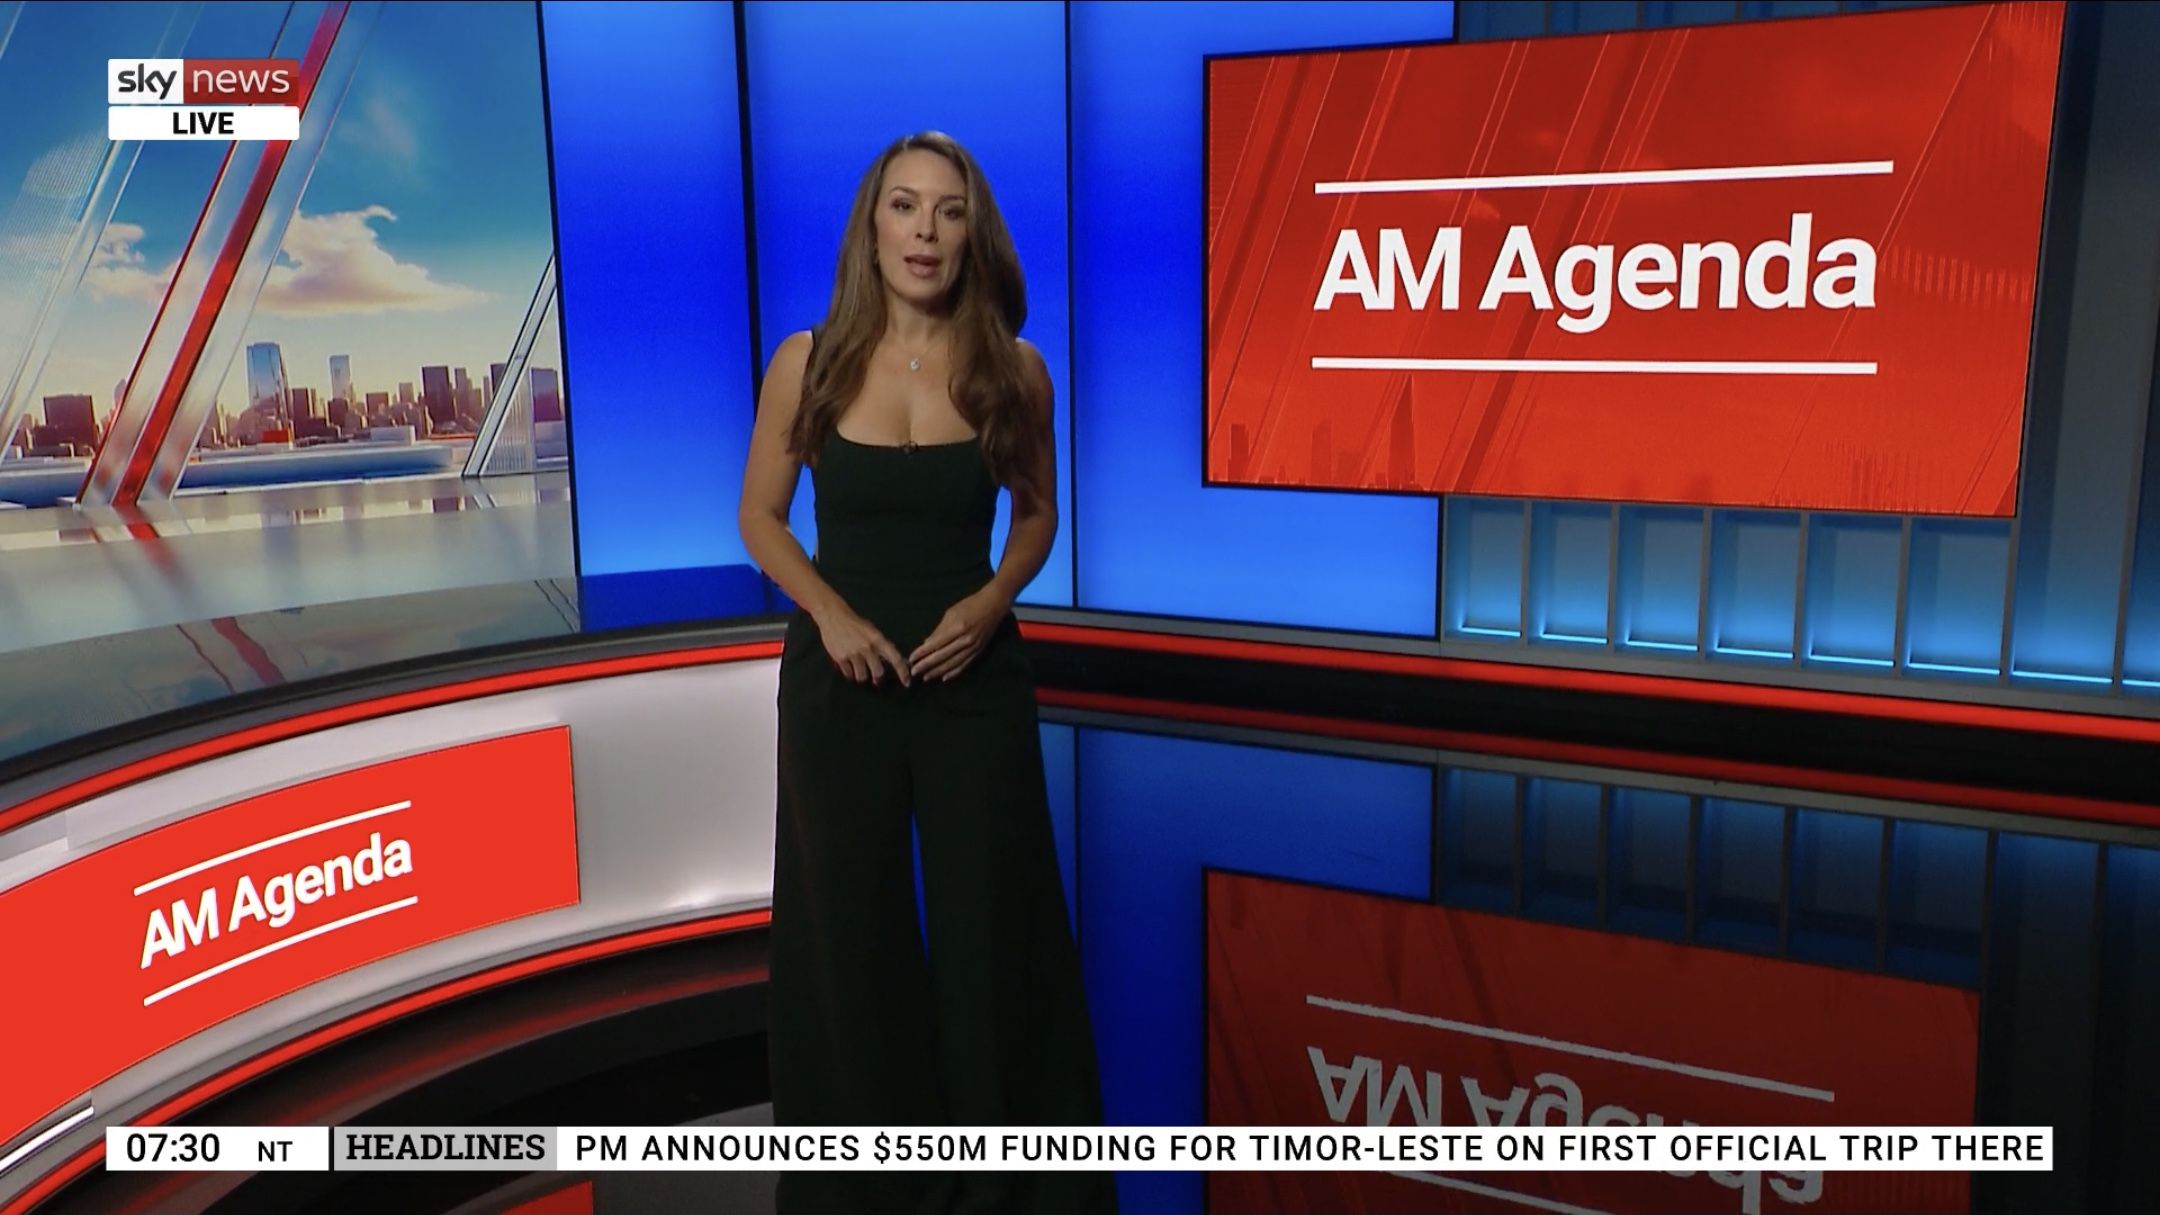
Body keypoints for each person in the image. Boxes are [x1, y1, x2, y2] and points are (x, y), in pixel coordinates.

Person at [737, 131, 1118, 1215]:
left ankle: (1004, 1177)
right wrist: (831, 613)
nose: (925, 232)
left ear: (972, 233)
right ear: (872, 226)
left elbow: (1037, 518)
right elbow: (761, 517)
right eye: (904, 207)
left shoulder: (1013, 370)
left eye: (949, 212)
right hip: (839, 677)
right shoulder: (808, 360)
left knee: (991, 920)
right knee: (844, 926)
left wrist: (989, 603)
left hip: (972, 675)